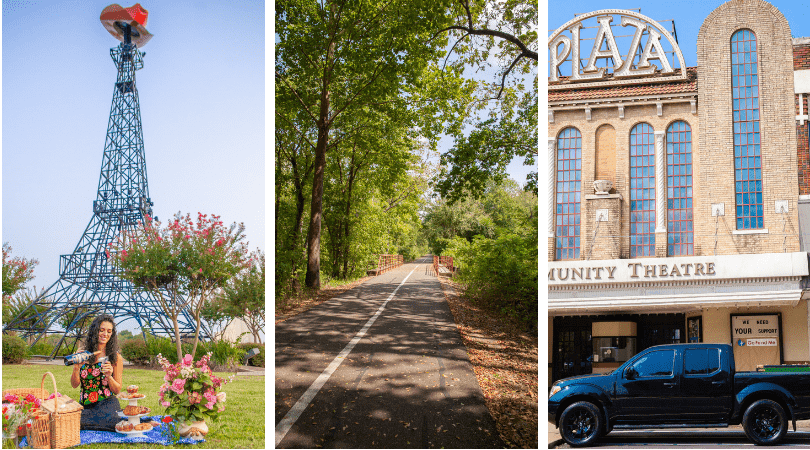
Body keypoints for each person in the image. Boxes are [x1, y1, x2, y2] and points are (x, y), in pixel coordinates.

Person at [70, 314, 124, 431]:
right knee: (73, 418)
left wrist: (109, 377)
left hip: (107, 404)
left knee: (108, 417)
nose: (105, 334)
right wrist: (76, 368)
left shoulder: (115, 358)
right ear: (95, 331)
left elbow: (117, 390)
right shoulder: (83, 354)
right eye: (102, 330)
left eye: (109, 331)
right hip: (86, 406)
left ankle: (90, 423)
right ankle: (112, 423)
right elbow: (74, 385)